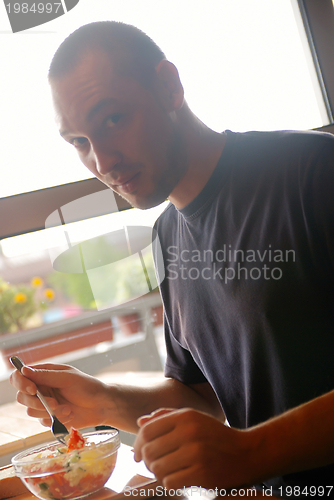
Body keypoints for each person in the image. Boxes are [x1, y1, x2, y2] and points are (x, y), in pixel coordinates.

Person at [10, 21, 334, 498]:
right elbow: (205, 400)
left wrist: (251, 452)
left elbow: (242, 443)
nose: (102, 160)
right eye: (79, 142)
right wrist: (105, 400)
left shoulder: (313, 173)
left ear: (169, 87)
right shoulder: (167, 233)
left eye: (113, 120)